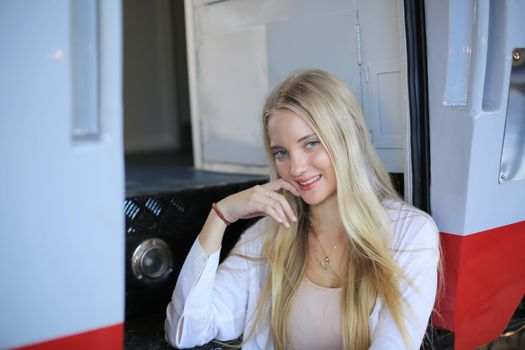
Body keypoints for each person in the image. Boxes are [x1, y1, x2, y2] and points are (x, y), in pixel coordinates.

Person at [164, 69, 440, 350]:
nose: (295, 168)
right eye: (281, 153)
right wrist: (221, 216)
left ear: (350, 136)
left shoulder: (410, 233)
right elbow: (185, 330)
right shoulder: (269, 235)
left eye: (311, 143)